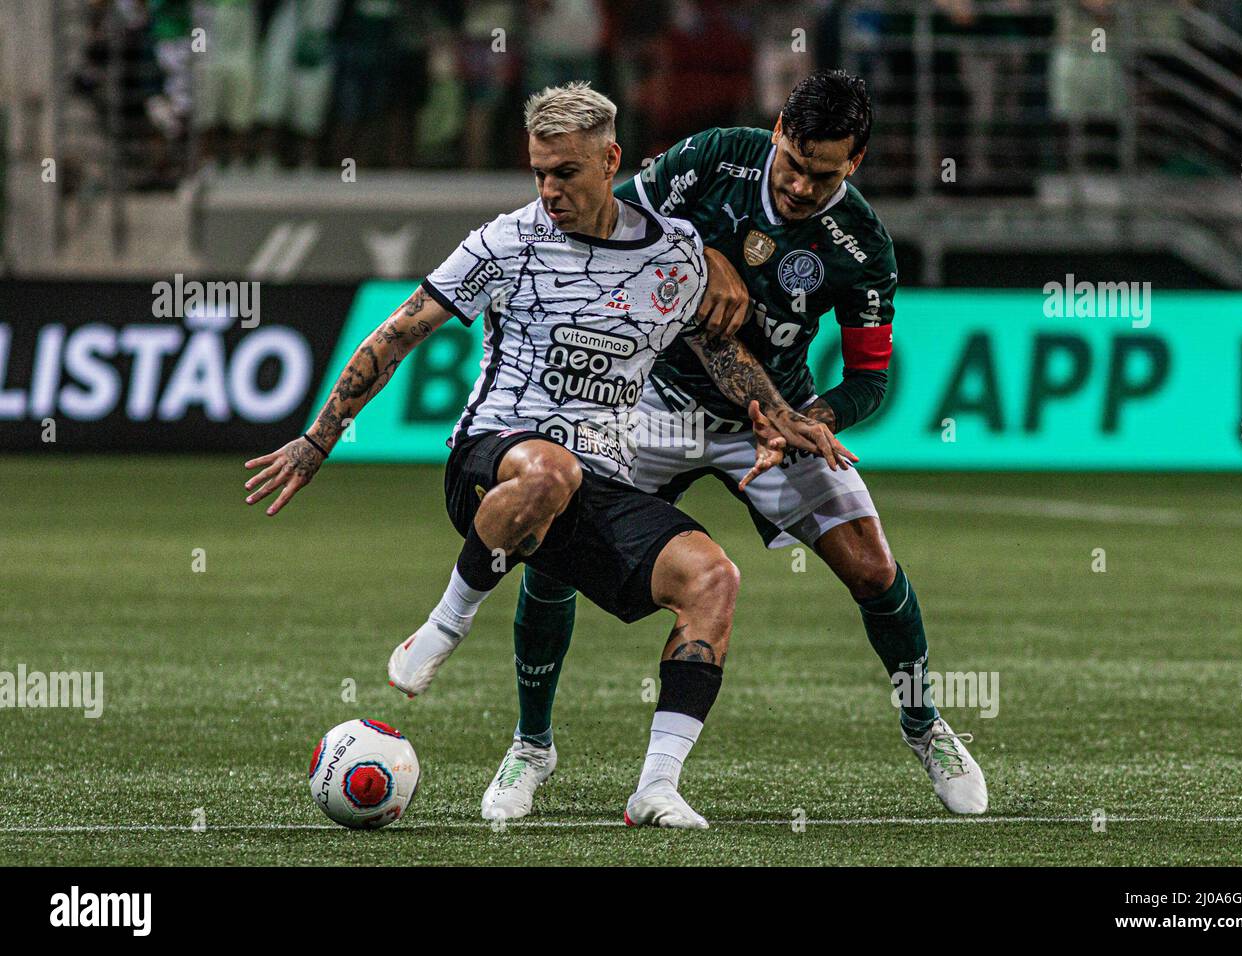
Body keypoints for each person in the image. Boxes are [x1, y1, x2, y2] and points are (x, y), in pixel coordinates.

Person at [242, 82, 852, 828]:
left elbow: (722, 353)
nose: (549, 189)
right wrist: (317, 440)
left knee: (713, 580)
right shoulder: (510, 241)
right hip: (490, 463)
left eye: (565, 172)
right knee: (551, 468)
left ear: (611, 161)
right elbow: (399, 333)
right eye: (538, 172)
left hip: (596, 481)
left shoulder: (671, 256)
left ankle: (655, 786)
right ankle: (446, 623)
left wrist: (782, 416)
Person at [494, 69, 988, 821]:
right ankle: (532, 745)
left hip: (768, 423)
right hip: (649, 402)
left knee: (872, 564)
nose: (797, 184)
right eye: (792, 160)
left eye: (822, 174)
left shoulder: (862, 249)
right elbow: (610, 217)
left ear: (854, 163)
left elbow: (868, 380)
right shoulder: (713, 159)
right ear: (780, 127)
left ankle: (926, 726)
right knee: (549, 547)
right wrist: (698, 257)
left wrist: (813, 419)